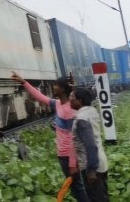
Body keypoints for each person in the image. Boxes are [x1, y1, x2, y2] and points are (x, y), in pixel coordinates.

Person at [11, 72, 88, 202]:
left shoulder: (68, 109)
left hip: (68, 156)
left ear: (62, 89)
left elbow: (74, 137)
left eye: (56, 85)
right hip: (63, 154)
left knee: (77, 187)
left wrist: (73, 163)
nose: (53, 87)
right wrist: (24, 82)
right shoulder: (58, 104)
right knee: (76, 187)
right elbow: (40, 97)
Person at [69, 88, 109, 202]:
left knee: (97, 198)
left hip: (92, 165)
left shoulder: (81, 119)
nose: (69, 99)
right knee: (103, 197)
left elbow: (90, 145)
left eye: (72, 97)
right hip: (101, 161)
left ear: (79, 100)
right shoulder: (91, 111)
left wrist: (91, 171)